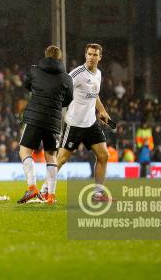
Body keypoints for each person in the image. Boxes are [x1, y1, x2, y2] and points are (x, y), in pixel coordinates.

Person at [41, 43, 112, 202]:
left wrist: (102, 110)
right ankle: (45, 189)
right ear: (85, 55)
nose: (92, 57)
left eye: (95, 55)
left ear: (100, 57)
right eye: (90, 54)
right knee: (61, 159)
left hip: (91, 123)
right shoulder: (78, 73)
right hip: (74, 124)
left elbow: (95, 95)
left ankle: (98, 194)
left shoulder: (98, 74)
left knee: (104, 156)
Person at [16, 45, 73, 205]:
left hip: (35, 117)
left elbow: (27, 86)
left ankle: (32, 186)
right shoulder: (67, 78)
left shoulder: (34, 71)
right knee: (51, 156)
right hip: (54, 121)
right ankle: (51, 195)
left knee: (25, 151)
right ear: (60, 58)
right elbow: (68, 99)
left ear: (45, 56)